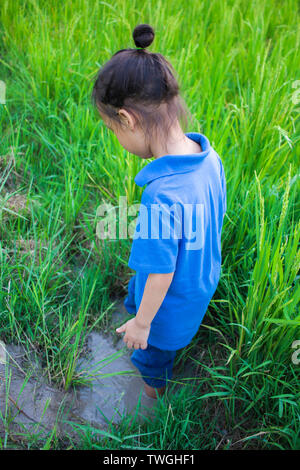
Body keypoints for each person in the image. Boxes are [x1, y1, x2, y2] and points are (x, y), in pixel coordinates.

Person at [92, 24, 227, 399]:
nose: (117, 139)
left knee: (152, 363)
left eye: (112, 129)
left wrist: (142, 324)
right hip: (199, 287)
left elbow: (160, 272)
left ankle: (153, 402)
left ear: (128, 119)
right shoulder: (208, 157)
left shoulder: (161, 197)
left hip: (164, 315)